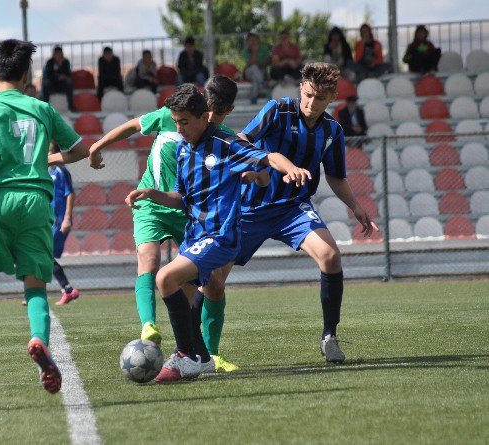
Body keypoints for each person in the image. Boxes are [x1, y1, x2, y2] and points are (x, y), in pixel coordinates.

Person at [201, 62, 379, 365]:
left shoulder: (331, 131)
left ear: (332, 97)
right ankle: (203, 352)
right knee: (213, 280)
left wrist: (357, 207)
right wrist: (254, 166)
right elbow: (243, 139)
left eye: (320, 98)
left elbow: (335, 176)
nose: (311, 103)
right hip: (249, 208)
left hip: (292, 209)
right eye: (308, 95)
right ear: (301, 89)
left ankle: (329, 337)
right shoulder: (277, 110)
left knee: (331, 257)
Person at [123, 84, 300, 383]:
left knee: (165, 278)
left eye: (185, 122)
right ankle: (202, 357)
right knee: (187, 302)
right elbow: (181, 199)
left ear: (204, 117)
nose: (180, 128)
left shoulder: (227, 144)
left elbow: (268, 159)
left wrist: (290, 168)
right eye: (176, 122)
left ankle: (185, 357)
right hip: (195, 236)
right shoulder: (181, 150)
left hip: (221, 237)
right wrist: (151, 193)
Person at [0, 39, 94, 406]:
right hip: (36, 201)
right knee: (35, 287)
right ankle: (39, 341)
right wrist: (44, 162)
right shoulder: (42, 109)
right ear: (26, 76)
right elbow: (81, 151)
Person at [23, 141, 80, 307]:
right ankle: (67, 290)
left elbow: (70, 194)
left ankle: (36, 293)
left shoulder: (61, 171)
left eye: (48, 151)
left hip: (59, 221)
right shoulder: (50, 171)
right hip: (48, 220)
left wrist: (67, 218)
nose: (45, 155)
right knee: (44, 255)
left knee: (43, 254)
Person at [42, 46, 75, 111]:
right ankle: (45, 106)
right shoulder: (50, 62)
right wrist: (57, 77)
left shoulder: (66, 61)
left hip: (62, 84)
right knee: (45, 82)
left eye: (60, 53)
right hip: (52, 83)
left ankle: (71, 105)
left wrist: (61, 65)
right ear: (54, 54)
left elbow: (68, 74)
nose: (59, 55)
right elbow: (48, 75)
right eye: (57, 53)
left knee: (69, 81)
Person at [242, 32, 271, 104]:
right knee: (254, 67)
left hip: (260, 72)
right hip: (248, 72)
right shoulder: (245, 51)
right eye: (250, 40)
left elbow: (269, 61)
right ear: (247, 42)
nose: (253, 42)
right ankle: (262, 84)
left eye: (255, 40)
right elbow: (250, 63)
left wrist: (264, 63)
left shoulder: (263, 49)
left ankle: (253, 97)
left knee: (255, 79)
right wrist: (254, 51)